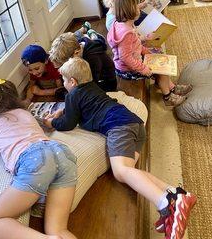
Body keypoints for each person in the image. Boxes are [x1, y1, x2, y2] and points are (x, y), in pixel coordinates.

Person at [43, 58, 196, 239]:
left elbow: (68, 123)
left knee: (120, 171)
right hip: (134, 124)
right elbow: (76, 110)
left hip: (118, 126)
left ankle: (166, 203)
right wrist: (63, 111)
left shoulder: (73, 94)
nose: (63, 83)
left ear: (72, 82)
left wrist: (51, 121)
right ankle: (176, 193)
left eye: (64, 80)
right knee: (129, 171)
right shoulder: (91, 87)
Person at [0, 79, 77, 239]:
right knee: (58, 230)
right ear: (15, 98)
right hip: (61, 152)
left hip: (34, 160)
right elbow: (45, 125)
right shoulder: (25, 113)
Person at [107, 0, 192, 108]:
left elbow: (135, 45)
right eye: (136, 6)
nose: (139, 9)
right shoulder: (126, 33)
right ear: (130, 10)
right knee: (161, 69)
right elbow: (125, 57)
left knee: (160, 58)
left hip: (132, 61)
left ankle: (172, 87)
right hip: (128, 70)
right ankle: (168, 97)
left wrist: (148, 52)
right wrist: (143, 69)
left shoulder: (125, 24)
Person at [49, 32, 117, 92]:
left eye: (66, 63)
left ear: (76, 52)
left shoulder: (93, 58)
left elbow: (91, 82)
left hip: (106, 83)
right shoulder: (76, 46)